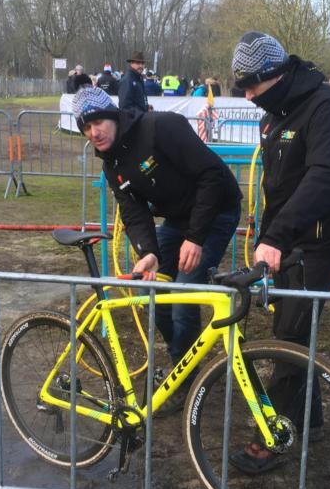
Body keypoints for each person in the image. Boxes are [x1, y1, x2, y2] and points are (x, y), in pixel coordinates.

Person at [228, 31, 330, 473]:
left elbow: (325, 177)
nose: (247, 96)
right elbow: (278, 188)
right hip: (287, 241)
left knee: (288, 336)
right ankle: (311, 420)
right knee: (295, 329)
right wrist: (269, 237)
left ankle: (273, 437)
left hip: (320, 242)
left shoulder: (327, 108)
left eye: (251, 86)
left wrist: (278, 236)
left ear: (276, 74)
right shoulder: (274, 115)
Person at [71, 86, 242, 376]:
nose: (94, 133)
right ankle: (182, 367)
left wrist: (195, 238)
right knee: (153, 293)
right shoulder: (111, 164)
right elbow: (133, 212)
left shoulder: (161, 127)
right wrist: (148, 252)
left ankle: (187, 380)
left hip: (216, 211)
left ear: (113, 116)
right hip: (177, 218)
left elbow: (211, 174)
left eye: (98, 122)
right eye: (86, 128)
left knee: (184, 296)